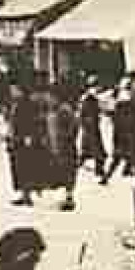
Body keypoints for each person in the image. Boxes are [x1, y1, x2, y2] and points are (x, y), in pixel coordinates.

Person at [103, 79, 135, 185]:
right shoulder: (133, 104)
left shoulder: (121, 105)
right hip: (130, 135)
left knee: (120, 158)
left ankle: (107, 177)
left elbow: (115, 119)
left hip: (124, 134)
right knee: (133, 157)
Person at [47, 84, 81, 212]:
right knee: (63, 173)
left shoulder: (64, 110)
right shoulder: (56, 111)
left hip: (65, 147)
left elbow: (73, 128)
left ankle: (68, 198)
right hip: (59, 147)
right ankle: (65, 198)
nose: (50, 99)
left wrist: (65, 138)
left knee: (67, 173)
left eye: (52, 97)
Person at [77, 79, 107, 177]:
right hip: (90, 127)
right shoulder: (88, 98)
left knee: (89, 150)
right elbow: (82, 114)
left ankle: (96, 168)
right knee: (97, 150)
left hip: (92, 126)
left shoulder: (90, 98)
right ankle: (99, 170)